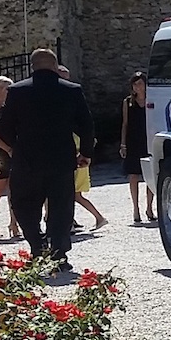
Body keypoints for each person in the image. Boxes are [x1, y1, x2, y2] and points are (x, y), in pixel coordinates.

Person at [0, 49, 93, 271]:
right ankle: (58, 254)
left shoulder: (17, 91)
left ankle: (37, 246)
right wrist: (85, 153)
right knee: (61, 207)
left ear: (33, 66)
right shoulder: (71, 90)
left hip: (27, 158)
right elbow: (86, 124)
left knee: (23, 204)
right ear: (55, 65)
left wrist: (16, 146)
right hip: (61, 157)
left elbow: (4, 126)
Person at [58, 66, 110, 231]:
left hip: (76, 152)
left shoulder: (72, 99)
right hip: (71, 150)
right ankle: (75, 220)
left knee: (72, 193)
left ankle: (97, 217)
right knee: (69, 193)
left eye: (67, 77)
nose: (66, 81)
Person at [0, 76, 21, 239]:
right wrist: (7, 148)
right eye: (6, 88)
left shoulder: (12, 108)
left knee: (14, 189)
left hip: (12, 151)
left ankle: (14, 223)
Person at [119, 71, 155, 224]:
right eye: (135, 84)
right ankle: (135, 208)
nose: (137, 87)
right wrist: (123, 144)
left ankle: (149, 207)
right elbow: (125, 124)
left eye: (140, 83)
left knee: (150, 176)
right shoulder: (128, 102)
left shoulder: (152, 101)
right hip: (133, 141)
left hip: (149, 140)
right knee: (133, 176)